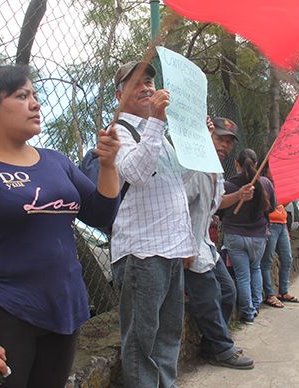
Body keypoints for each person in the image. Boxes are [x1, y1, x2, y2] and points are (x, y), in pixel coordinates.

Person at [0, 65, 121, 388]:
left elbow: (102, 215)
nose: (35, 104)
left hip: (63, 310)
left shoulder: (55, 162)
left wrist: (108, 165)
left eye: (35, 95)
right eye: (22, 96)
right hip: (4, 313)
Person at [109, 61, 197, 388]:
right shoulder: (119, 131)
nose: (146, 87)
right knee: (141, 343)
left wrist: (195, 139)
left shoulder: (159, 134)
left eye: (149, 81)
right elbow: (137, 173)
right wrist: (157, 122)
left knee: (169, 335)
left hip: (170, 250)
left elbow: (179, 178)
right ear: (119, 95)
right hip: (142, 254)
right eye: (136, 84)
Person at [184, 117, 255, 369]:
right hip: (188, 247)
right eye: (219, 138)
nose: (224, 145)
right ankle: (224, 349)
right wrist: (183, 247)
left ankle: (210, 346)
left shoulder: (216, 169)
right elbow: (177, 203)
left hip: (206, 246)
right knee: (209, 296)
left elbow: (216, 203)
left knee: (229, 291)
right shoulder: (191, 165)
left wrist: (239, 195)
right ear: (207, 136)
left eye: (228, 141)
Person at [220, 148, 275, 324]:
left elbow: (221, 211)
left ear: (236, 164)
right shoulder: (266, 183)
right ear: (256, 164)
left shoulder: (228, 185)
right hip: (259, 235)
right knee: (256, 268)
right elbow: (271, 208)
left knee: (242, 275)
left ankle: (248, 312)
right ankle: (257, 304)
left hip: (235, 236)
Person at [261, 195, 299, 308]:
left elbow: (280, 204)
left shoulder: (279, 185)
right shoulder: (265, 184)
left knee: (287, 258)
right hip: (271, 223)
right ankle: (269, 294)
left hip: (282, 223)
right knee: (267, 261)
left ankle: (283, 291)